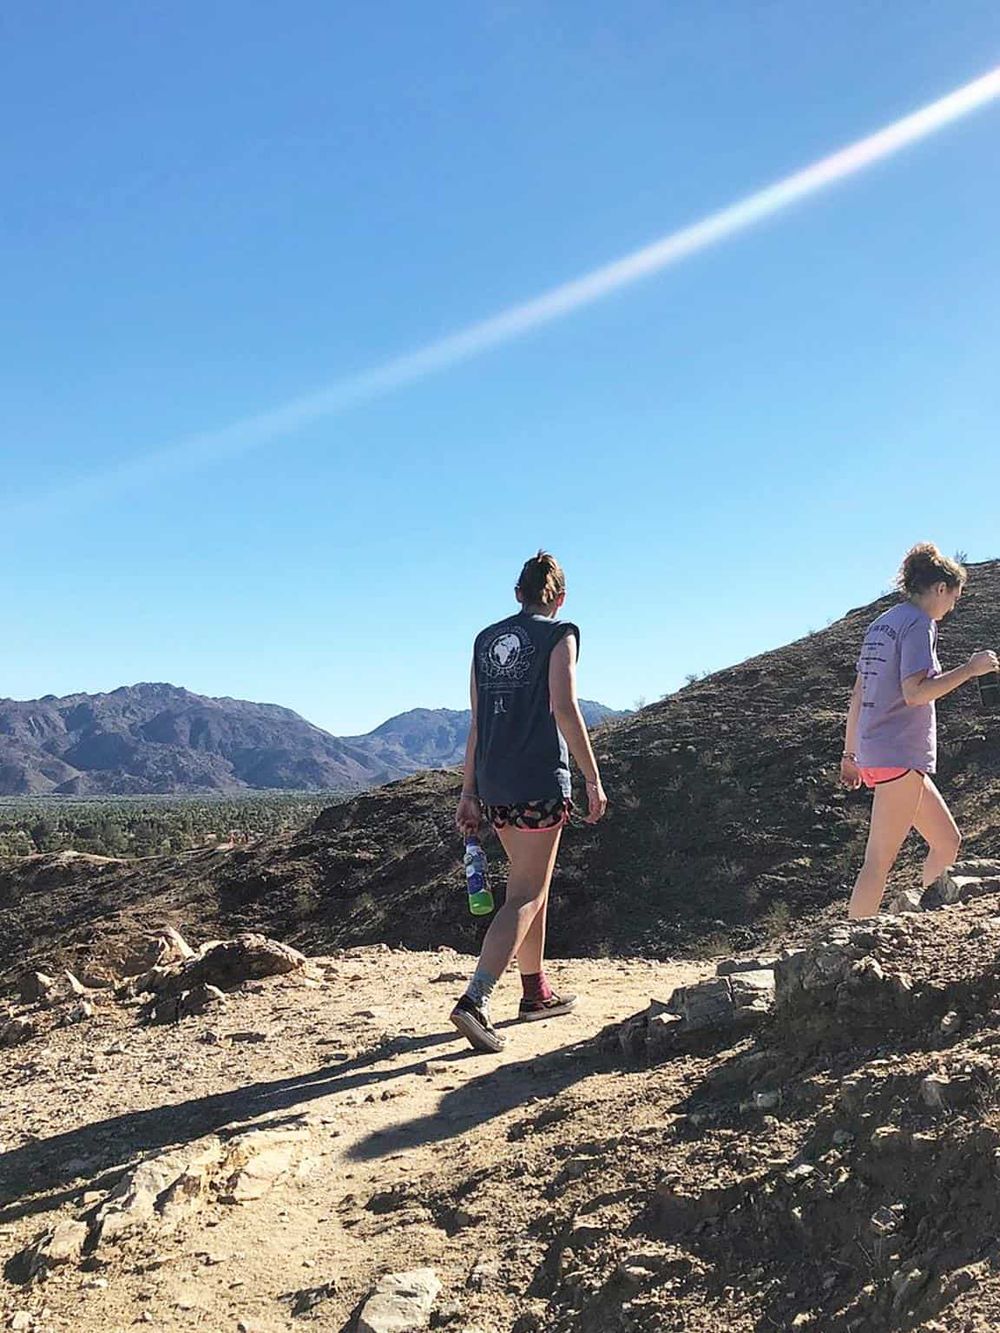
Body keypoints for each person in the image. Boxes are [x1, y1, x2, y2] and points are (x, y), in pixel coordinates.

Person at [450, 551, 608, 1053]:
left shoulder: (484, 640)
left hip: (495, 782)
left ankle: (535, 991)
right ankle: (475, 999)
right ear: (560, 597)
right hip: (538, 778)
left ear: (517, 593)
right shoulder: (560, 634)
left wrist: (468, 790)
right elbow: (564, 707)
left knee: (530, 886)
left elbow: (477, 721)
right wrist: (592, 777)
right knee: (525, 894)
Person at [841, 543, 997, 918]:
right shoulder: (918, 624)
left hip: (879, 753)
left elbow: (859, 694)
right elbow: (915, 693)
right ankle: (845, 945)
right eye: (954, 599)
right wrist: (970, 670)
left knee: (946, 841)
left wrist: (850, 755)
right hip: (899, 754)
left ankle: (929, 919)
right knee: (877, 863)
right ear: (940, 588)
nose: (951, 609)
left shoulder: (882, 624)